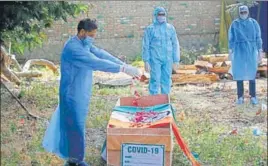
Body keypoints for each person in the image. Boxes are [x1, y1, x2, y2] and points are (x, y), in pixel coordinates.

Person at [42, 18, 141, 166]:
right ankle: (76, 160)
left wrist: (123, 65)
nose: (93, 38)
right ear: (82, 32)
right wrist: (122, 69)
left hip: (80, 93)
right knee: (75, 126)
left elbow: (101, 54)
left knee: (77, 125)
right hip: (72, 94)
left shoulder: (83, 44)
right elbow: (95, 62)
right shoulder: (73, 48)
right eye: (91, 35)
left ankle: (74, 159)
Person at [228, 5, 263, 105]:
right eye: (242, 12)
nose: (243, 14)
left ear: (248, 12)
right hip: (239, 51)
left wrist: (260, 51)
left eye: (245, 12)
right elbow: (231, 39)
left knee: (252, 73)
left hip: (251, 50)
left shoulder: (253, 23)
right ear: (239, 13)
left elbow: (258, 37)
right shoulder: (235, 24)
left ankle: (253, 97)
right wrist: (230, 51)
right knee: (239, 73)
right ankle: (240, 97)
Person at [142, 7, 180, 95]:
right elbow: (145, 46)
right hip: (155, 59)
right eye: (159, 14)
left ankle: (165, 101)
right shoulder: (150, 29)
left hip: (168, 59)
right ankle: (154, 101)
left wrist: (176, 60)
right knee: (155, 79)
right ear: (155, 15)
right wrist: (146, 61)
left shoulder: (170, 28)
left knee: (166, 79)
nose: (161, 16)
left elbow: (175, 44)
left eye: (163, 14)